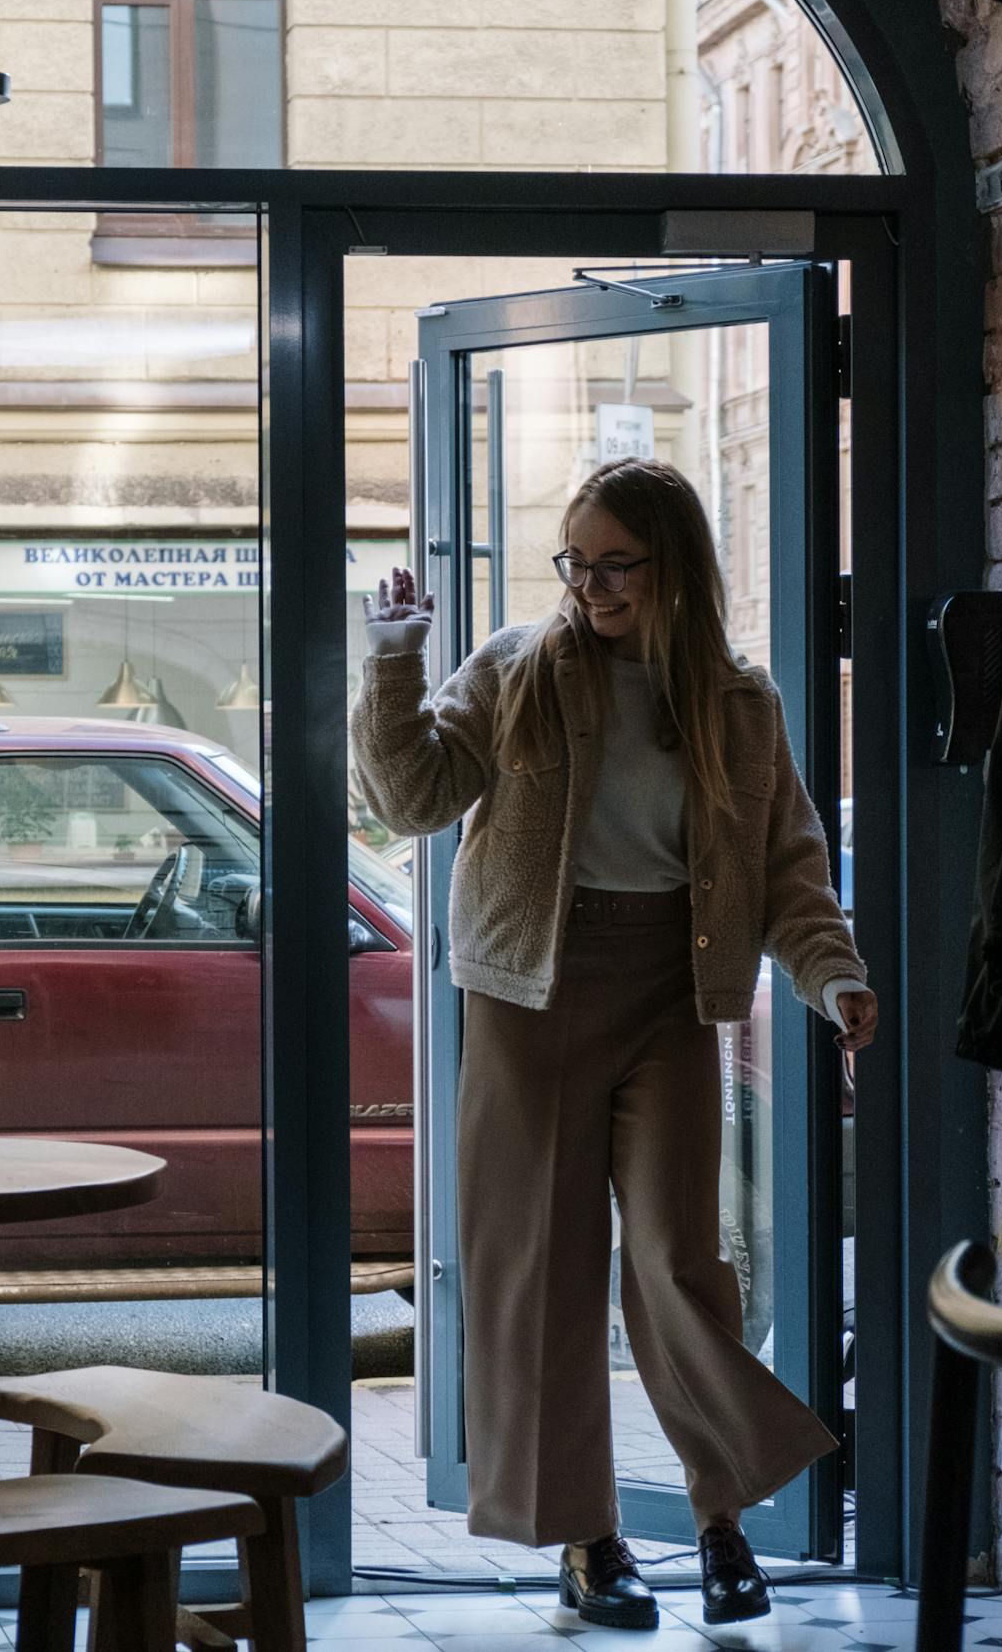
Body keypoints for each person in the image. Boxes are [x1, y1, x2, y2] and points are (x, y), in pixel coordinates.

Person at [350, 456, 877, 1628]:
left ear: (673, 563)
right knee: (538, 1270)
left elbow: (787, 862)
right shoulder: (518, 667)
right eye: (573, 563)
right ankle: (587, 1546)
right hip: (527, 993)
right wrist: (392, 657)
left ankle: (719, 1520)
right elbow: (411, 796)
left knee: (683, 1262)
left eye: (612, 565)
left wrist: (830, 975)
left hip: (675, 992)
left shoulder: (740, 701)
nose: (587, 585)